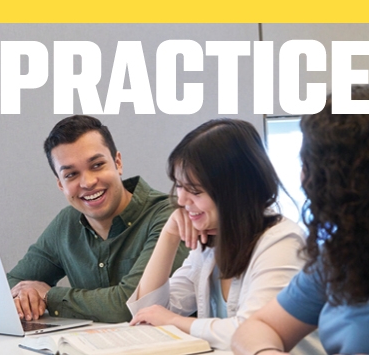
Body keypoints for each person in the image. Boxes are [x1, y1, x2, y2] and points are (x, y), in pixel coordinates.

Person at [231, 84, 369, 355]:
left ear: (345, 176)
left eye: (307, 165)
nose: (303, 179)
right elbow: (255, 328)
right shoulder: (349, 245)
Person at [127, 118, 324, 353]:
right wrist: (169, 235)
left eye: (194, 190)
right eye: (179, 185)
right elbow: (147, 313)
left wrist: (175, 321)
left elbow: (251, 333)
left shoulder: (281, 242)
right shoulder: (211, 242)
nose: (181, 200)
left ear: (235, 192)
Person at [7, 115, 189, 323]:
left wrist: (49, 296)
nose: (88, 182)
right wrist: (25, 295)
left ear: (117, 163)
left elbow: (129, 305)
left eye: (96, 165)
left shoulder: (169, 216)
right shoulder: (66, 224)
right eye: (71, 175)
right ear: (60, 184)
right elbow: (12, 284)